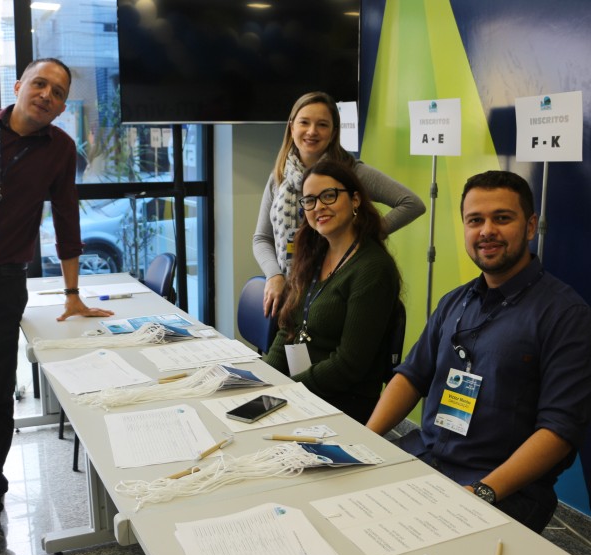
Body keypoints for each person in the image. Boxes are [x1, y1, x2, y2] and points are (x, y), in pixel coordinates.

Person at [366, 170, 591, 532]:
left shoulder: (565, 315)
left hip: (500, 489)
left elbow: (560, 431)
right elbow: (411, 375)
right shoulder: (454, 302)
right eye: (475, 220)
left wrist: (481, 493)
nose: (486, 230)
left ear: (531, 226)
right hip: (424, 458)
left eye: (502, 218)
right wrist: (365, 440)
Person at [0, 58, 114, 542]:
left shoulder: (61, 149)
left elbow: (67, 222)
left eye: (58, 92)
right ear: (19, 85)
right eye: (39, 83)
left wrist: (72, 293)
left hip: (4, 283)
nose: (47, 94)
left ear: (63, 107)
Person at [253, 91, 424, 317]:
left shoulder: (352, 172)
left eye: (322, 125)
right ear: (292, 126)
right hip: (289, 295)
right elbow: (262, 238)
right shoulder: (279, 176)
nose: (312, 131)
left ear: (334, 133)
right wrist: (274, 275)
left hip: (334, 297)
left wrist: (363, 237)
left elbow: (412, 203)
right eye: (304, 122)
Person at [265, 160, 402, 424]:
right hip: (303, 392)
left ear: (355, 200)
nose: (318, 207)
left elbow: (348, 365)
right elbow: (289, 330)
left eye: (328, 196)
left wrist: (288, 390)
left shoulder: (372, 269)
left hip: (342, 404)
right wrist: (266, 380)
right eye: (310, 201)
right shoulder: (314, 256)